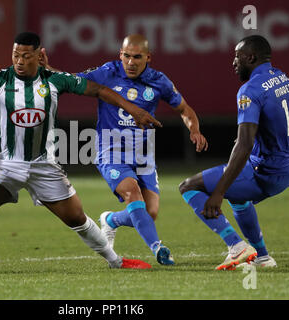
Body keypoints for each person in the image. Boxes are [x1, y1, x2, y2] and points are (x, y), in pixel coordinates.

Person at [0, 32, 162, 273]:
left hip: (43, 165)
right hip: (5, 162)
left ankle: (116, 261)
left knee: (76, 218)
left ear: (39, 56)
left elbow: (98, 90)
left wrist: (133, 110)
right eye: (16, 55)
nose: (20, 61)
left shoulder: (55, 80)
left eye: (26, 56)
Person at [41, 34, 208, 265]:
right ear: (120, 55)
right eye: (126, 56)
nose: (130, 62)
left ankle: (110, 220)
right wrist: (48, 68)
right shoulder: (108, 72)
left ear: (148, 57)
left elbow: (184, 109)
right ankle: (157, 248)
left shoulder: (159, 81)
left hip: (142, 153)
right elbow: (72, 81)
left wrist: (194, 129)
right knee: (131, 192)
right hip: (110, 149)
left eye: (137, 57)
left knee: (149, 213)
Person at [178, 35, 289, 270]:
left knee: (188, 186)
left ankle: (236, 246)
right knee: (239, 197)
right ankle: (263, 258)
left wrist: (219, 192)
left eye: (237, 57)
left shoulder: (250, 90)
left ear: (251, 57)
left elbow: (244, 144)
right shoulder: (281, 77)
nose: (234, 62)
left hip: (268, 171)